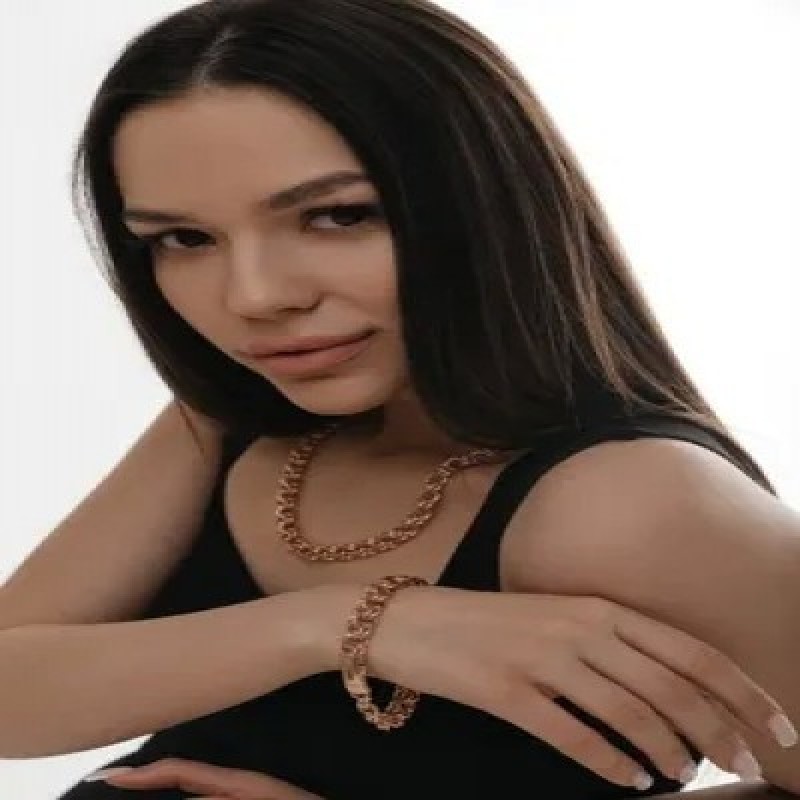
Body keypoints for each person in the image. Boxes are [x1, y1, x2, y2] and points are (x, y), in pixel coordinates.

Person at [0, 1, 796, 799]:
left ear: (488, 200)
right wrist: (348, 624)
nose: (254, 297)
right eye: (184, 238)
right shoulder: (227, 423)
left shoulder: (631, 505)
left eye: (338, 215)